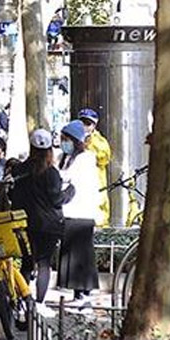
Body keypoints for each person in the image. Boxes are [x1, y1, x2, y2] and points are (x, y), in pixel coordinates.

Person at [10, 129, 65, 303]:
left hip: (24, 224)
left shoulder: (19, 170)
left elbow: (13, 196)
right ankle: (39, 302)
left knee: (26, 263)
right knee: (44, 264)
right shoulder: (51, 173)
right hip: (48, 226)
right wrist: (71, 192)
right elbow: (57, 199)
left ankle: (24, 302)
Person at [58, 120, 101, 304]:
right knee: (71, 254)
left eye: (65, 139)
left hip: (82, 213)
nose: (62, 142)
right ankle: (77, 292)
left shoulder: (85, 159)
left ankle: (84, 293)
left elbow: (71, 180)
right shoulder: (66, 158)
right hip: (69, 213)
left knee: (82, 254)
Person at [79, 109, 112, 227]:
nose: (84, 126)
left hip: (96, 185)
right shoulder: (73, 138)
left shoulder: (99, 141)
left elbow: (104, 158)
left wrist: (88, 147)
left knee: (99, 215)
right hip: (78, 186)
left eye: (88, 123)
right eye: (82, 122)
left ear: (94, 125)